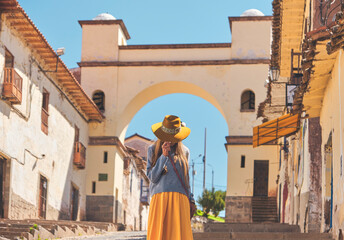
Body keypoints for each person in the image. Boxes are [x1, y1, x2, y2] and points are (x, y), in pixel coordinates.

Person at [146, 115, 196, 240]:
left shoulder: (185, 151)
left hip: (180, 200)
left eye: (173, 137)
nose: (171, 140)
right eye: (168, 137)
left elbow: (186, 179)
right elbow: (152, 178)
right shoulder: (152, 149)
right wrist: (163, 156)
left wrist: (191, 199)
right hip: (160, 199)